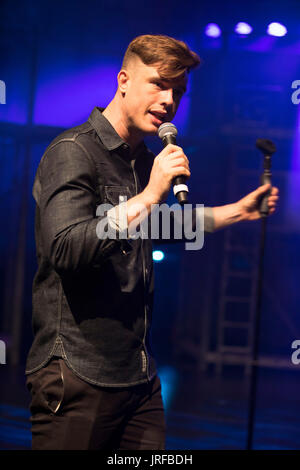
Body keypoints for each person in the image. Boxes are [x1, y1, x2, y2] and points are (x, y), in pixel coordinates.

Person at [25, 34, 279, 450]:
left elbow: (156, 227)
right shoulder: (72, 151)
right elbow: (65, 250)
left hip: (138, 377)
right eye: (158, 84)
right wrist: (148, 195)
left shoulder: (143, 160)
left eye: (178, 91)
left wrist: (238, 211)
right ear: (123, 80)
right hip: (76, 372)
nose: (169, 100)